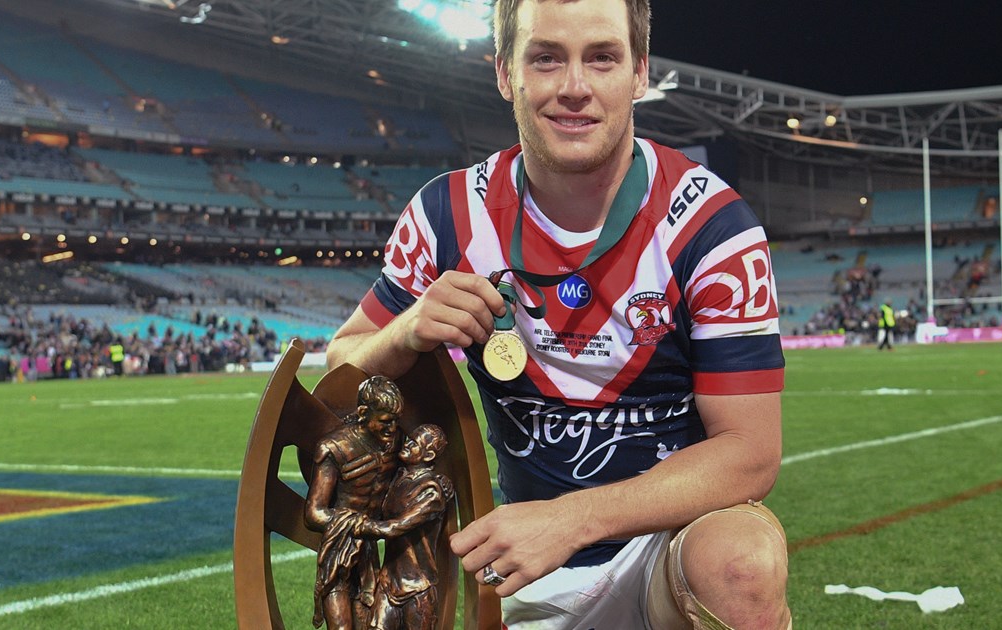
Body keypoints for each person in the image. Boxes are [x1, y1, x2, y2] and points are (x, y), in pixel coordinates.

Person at [324, 0, 789, 627]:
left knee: (742, 561)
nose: (575, 88)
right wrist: (406, 332)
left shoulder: (712, 226)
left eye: (602, 58)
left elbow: (752, 451)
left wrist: (573, 520)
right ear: (504, 74)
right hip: (517, 565)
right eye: (545, 58)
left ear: (640, 73)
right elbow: (339, 369)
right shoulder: (447, 214)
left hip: (663, 551)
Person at [304, 376, 405, 629]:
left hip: (371, 551)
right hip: (338, 548)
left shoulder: (396, 442)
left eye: (395, 421)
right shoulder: (334, 448)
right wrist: (357, 524)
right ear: (363, 413)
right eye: (384, 421)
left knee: (370, 623)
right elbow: (314, 513)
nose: (392, 428)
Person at [355, 424, 456, 630]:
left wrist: (360, 526)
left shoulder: (431, 492)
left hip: (418, 588)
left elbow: (398, 527)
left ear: (427, 455)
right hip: (388, 582)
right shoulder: (398, 479)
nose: (408, 444)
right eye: (409, 439)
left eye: (414, 444)